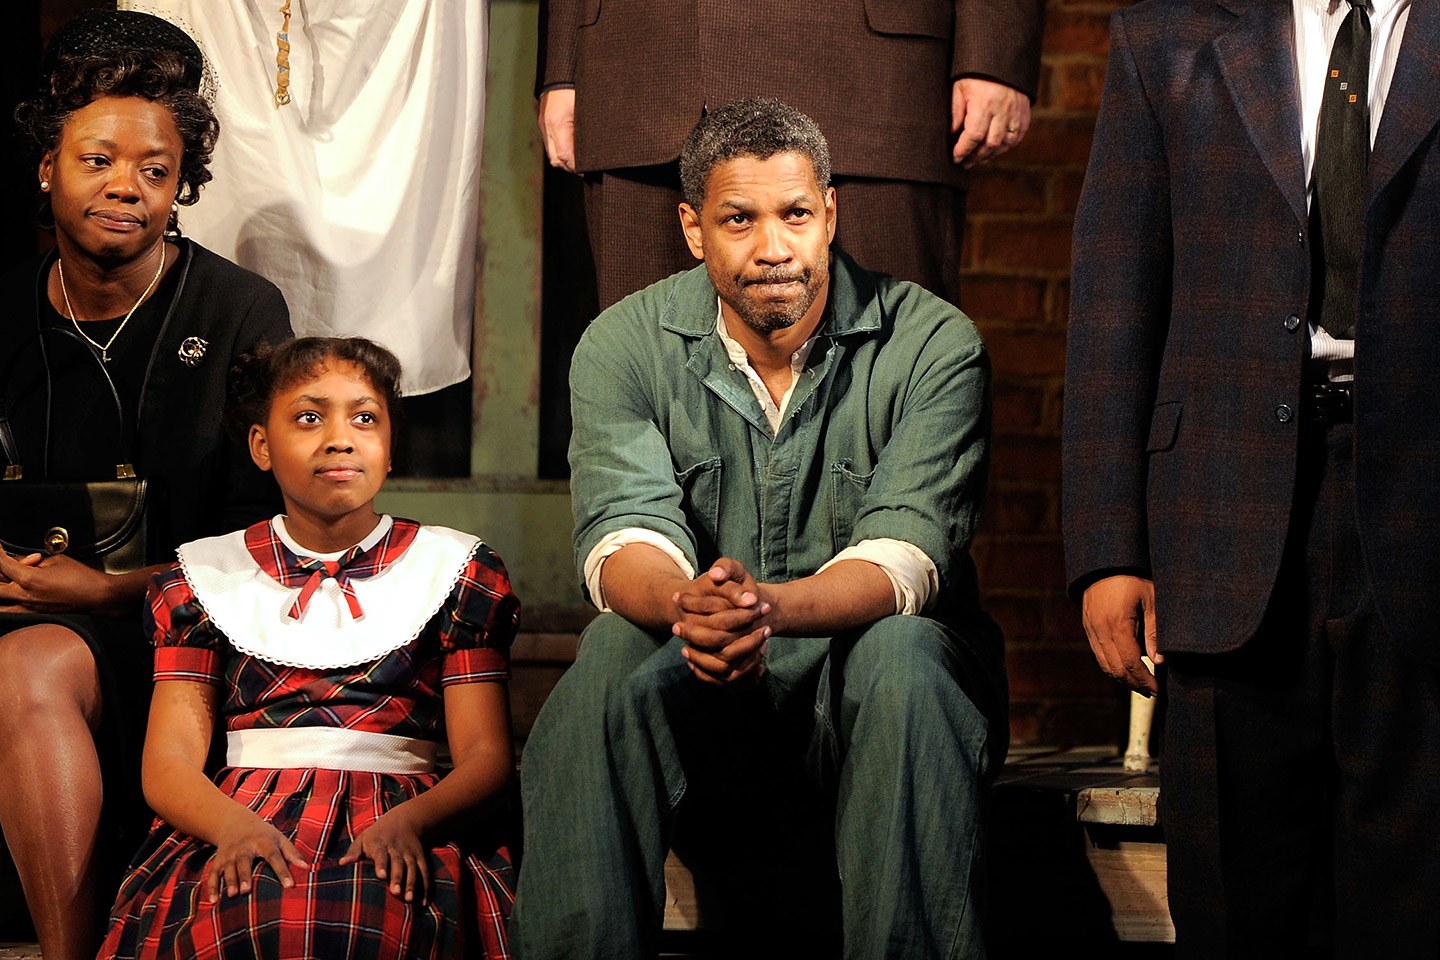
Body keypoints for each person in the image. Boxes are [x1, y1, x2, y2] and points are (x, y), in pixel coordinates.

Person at [511, 98, 1006, 959]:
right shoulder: (623, 344)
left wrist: (762, 609)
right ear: (693, 229)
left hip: (875, 711)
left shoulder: (932, 344)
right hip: (705, 693)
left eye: (796, 215)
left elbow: (907, 556)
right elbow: (623, 532)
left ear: (830, 215)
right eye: (739, 219)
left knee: (904, 652)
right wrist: (688, 607)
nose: (774, 246)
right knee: (613, 655)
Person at [1064, 0, 1440, 956]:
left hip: (1421, 503)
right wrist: (1109, 547)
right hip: (1222, 505)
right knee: (1236, 889)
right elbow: (1115, 294)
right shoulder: (1168, 39)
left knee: (1415, 889)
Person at [0, 13, 291, 960]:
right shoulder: (4, 311)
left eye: (155, 171)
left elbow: (269, 540)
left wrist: (109, 591)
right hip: (18, 611)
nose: (125, 187)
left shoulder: (238, 309)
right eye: (97, 161)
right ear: (47, 167)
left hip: (180, 637)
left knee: (30, 667)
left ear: (181, 185)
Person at [98, 336, 518, 959]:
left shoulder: (455, 570)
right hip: (240, 815)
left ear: (391, 447)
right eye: (309, 418)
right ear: (261, 446)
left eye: (365, 418)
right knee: (245, 918)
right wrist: (231, 827)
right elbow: (169, 762)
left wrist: (411, 822)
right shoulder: (203, 577)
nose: (340, 439)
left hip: (404, 813)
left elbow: (485, 757)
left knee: (376, 921)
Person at [537, 0, 1044, 308]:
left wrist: (994, 49)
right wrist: (563, 59)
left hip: (870, 74)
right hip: (640, 63)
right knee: (644, 389)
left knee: (893, 388)